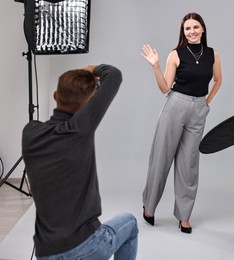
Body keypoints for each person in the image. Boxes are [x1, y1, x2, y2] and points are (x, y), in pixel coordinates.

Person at [22, 64, 138, 259]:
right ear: (89, 104)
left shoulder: (29, 132)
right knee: (130, 222)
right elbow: (114, 75)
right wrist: (94, 69)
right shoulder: (80, 129)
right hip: (85, 248)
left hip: (46, 254)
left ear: (55, 96)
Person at [140, 12, 222, 233]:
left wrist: (207, 102)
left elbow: (218, 79)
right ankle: (149, 206)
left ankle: (184, 216)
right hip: (175, 105)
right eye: (187, 29)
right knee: (161, 157)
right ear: (183, 32)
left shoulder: (213, 54)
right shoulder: (175, 54)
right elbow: (165, 88)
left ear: (203, 29)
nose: (192, 31)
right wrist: (155, 66)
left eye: (195, 27)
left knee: (189, 163)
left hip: (198, 109)